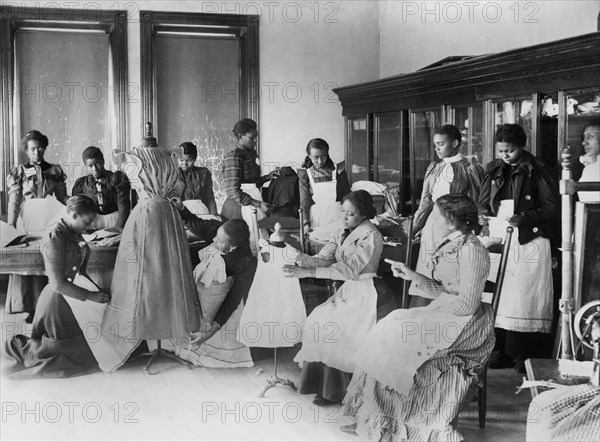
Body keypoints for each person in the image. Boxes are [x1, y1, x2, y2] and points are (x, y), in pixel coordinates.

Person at [341, 194, 493, 441]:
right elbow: (445, 290)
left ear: (452, 222)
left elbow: (466, 304)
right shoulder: (451, 244)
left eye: (435, 216)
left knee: (400, 333)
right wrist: (412, 276)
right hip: (448, 312)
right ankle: (376, 413)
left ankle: (399, 420)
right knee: (387, 327)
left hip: (469, 324)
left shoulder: (472, 251)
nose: (430, 221)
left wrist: (426, 317)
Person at [283, 190, 395, 406]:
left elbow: (351, 269)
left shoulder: (370, 235)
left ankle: (344, 391)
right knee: (318, 319)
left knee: (337, 325)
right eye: (342, 211)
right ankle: (326, 388)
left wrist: (308, 273)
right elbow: (322, 259)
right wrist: (291, 254)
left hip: (369, 291)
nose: (344, 217)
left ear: (364, 214)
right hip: (349, 291)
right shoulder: (342, 232)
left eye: (350, 213)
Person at [479, 123, 559, 372]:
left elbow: (552, 207)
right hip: (500, 235)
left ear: (522, 146)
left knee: (523, 297)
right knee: (500, 295)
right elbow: (483, 201)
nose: (504, 156)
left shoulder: (539, 169)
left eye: (510, 151)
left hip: (529, 239)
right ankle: (500, 350)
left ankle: (525, 355)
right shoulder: (493, 169)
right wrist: (482, 213)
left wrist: (525, 218)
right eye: (501, 151)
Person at [3, 196, 110, 378]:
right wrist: (90, 296)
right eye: (87, 221)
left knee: (101, 340)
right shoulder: (55, 239)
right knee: (71, 352)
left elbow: (79, 270)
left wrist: (94, 291)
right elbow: (58, 284)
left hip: (75, 294)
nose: (90, 226)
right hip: (59, 303)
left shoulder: (73, 233)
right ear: (73, 215)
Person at [409, 124, 484, 307]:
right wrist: (413, 229)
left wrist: (476, 229)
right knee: (427, 271)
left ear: (455, 143)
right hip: (432, 228)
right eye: (435, 144)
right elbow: (425, 202)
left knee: (447, 272)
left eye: (441, 144)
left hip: (454, 228)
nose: (436, 148)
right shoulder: (433, 168)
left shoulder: (469, 169)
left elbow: (476, 203)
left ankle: (447, 312)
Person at [5, 130, 69, 323]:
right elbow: (14, 200)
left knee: (48, 259)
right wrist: (11, 225)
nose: (37, 152)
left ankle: (50, 306)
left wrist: (72, 206)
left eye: (40, 148)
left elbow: (62, 197)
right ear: (27, 150)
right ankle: (31, 307)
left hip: (49, 219)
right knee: (30, 262)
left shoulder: (54, 171)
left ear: (45, 148)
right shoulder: (19, 171)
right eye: (33, 149)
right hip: (29, 219)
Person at [221, 118, 278, 221]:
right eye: (251, 137)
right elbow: (232, 191)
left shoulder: (251, 154)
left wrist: (267, 177)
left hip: (252, 200)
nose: (255, 140)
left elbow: (251, 183)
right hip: (239, 206)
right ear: (240, 136)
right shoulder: (233, 157)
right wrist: (258, 204)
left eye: (256, 136)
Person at [297, 138, 351, 236]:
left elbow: (347, 196)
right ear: (309, 156)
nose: (320, 161)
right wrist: (306, 222)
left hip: (338, 217)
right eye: (315, 157)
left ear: (327, 154)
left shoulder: (338, 170)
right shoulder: (305, 174)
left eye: (323, 156)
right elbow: (305, 201)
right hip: (317, 218)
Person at [72, 146, 131, 230]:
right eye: (90, 166)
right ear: (85, 166)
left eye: (97, 164)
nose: (94, 168)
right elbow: (78, 213)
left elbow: (124, 208)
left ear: (103, 161)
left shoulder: (116, 178)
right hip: (92, 228)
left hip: (115, 223)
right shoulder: (81, 184)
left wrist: (118, 230)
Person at [172, 141, 218, 216]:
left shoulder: (204, 173)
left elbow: (209, 197)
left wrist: (214, 215)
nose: (184, 163)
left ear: (195, 158)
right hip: (179, 213)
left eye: (188, 161)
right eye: (181, 160)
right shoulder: (172, 174)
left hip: (200, 212)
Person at [578, 120, 600, 203]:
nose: (584, 142)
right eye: (584, 137)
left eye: (590, 136)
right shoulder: (589, 167)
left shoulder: (591, 169)